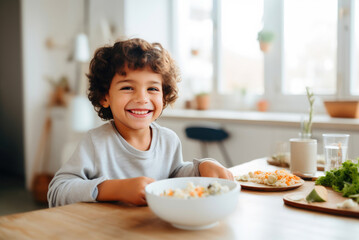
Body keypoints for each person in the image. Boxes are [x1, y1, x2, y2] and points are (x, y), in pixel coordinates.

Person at [47, 38, 233, 207]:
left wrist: (201, 167)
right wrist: (115, 189)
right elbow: (57, 192)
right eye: (127, 87)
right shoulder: (96, 142)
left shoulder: (168, 140)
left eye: (152, 88)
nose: (142, 98)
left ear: (164, 95)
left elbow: (175, 174)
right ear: (105, 96)